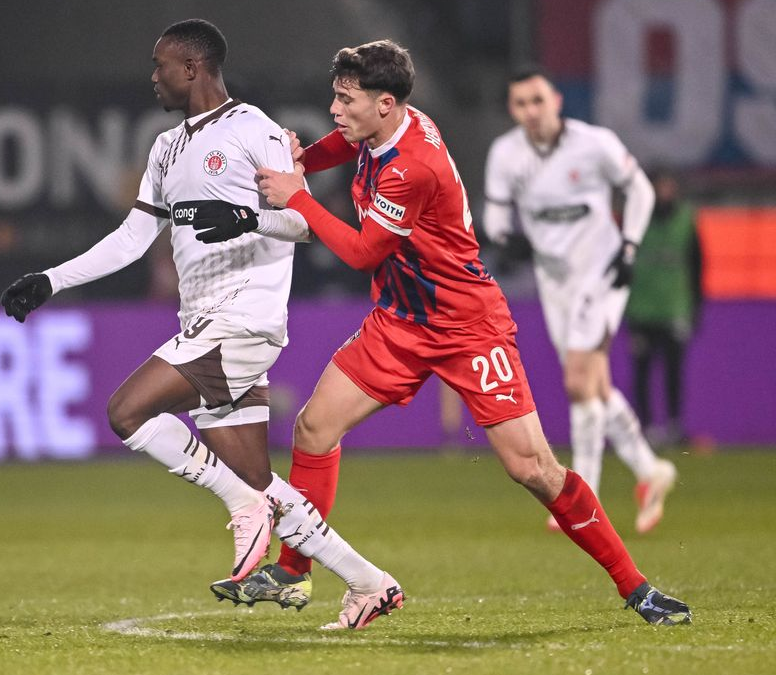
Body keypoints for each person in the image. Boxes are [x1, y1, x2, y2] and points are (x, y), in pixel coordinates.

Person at [207, 39, 690, 628]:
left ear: (385, 104)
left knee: (532, 469)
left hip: (467, 326)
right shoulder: (385, 129)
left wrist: (299, 195)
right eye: (334, 95)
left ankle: (635, 586)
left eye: (345, 99)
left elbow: (362, 253)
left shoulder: (413, 167)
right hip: (400, 324)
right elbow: (342, 145)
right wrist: (307, 158)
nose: (334, 109)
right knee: (313, 427)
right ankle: (292, 570)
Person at [0, 19, 392, 625]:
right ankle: (369, 582)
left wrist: (246, 218)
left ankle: (242, 505)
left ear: (193, 68)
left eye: (161, 64)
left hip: (242, 318)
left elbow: (300, 219)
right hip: (205, 319)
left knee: (126, 411)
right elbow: (133, 238)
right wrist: (52, 279)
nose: (152, 75)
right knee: (263, 481)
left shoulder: (254, 129)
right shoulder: (166, 148)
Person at [483, 67, 677, 534]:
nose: (530, 111)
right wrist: (507, 239)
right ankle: (651, 471)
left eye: (537, 100)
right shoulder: (506, 154)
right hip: (556, 281)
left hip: (603, 270)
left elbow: (640, 190)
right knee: (594, 386)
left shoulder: (595, 144)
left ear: (555, 100)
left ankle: (580, 494)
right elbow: (493, 215)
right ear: (512, 109)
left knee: (576, 380)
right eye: (520, 104)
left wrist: (630, 246)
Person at [625, 170, 703, 446]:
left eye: (668, 186)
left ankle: (674, 426)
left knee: (674, 372)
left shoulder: (686, 219)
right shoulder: (637, 220)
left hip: (674, 308)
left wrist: (695, 308)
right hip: (641, 310)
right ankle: (644, 428)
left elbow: (697, 266)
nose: (664, 192)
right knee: (642, 373)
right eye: (659, 186)